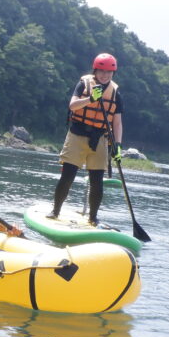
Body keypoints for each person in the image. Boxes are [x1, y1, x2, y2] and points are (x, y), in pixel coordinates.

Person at [47, 52, 123, 226]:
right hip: (77, 135)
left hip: (101, 138)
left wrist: (117, 146)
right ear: (95, 70)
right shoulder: (83, 84)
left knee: (97, 181)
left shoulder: (116, 93)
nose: (105, 75)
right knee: (67, 176)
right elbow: (72, 105)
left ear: (113, 73)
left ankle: (93, 217)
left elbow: (117, 123)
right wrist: (90, 99)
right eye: (102, 71)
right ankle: (56, 210)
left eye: (109, 73)